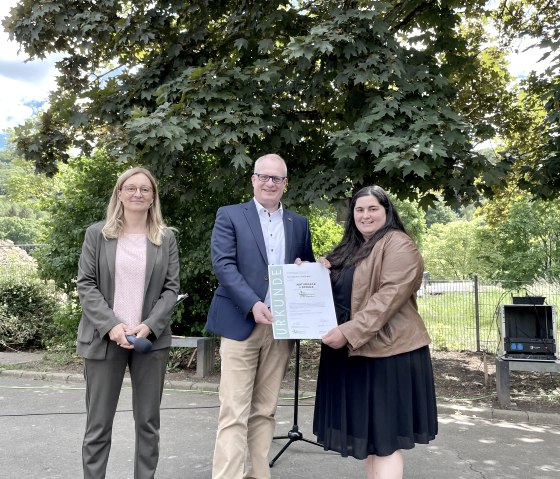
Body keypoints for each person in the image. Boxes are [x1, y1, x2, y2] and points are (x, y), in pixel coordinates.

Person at [312, 185, 437, 479]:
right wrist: (311, 274)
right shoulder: (351, 248)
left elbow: (387, 298)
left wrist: (349, 331)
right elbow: (345, 291)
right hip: (355, 353)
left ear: (386, 211)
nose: (365, 215)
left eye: (372, 209)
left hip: (388, 355)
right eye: (359, 209)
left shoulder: (399, 244)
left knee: (385, 442)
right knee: (371, 442)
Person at [205, 153, 314, 479]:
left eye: (276, 178)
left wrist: (306, 270)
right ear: (253, 179)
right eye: (264, 176)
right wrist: (253, 303)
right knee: (234, 411)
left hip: (281, 329)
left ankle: (257, 475)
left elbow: (304, 266)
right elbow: (223, 265)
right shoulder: (230, 215)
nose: (270, 183)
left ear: (285, 184)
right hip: (241, 323)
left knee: (265, 411)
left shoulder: (299, 223)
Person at [76, 167, 180, 479]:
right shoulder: (97, 234)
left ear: (153, 197)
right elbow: (86, 284)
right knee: (98, 426)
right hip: (103, 339)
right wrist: (112, 326)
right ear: (119, 193)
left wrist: (148, 325)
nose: (137, 194)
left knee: (148, 424)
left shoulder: (166, 238)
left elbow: (171, 289)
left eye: (145, 189)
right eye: (130, 188)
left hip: (150, 341)